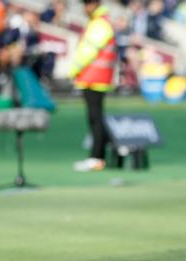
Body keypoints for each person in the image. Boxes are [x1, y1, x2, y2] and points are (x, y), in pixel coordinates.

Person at [70, 0, 117, 172]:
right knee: (96, 118)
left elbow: (88, 51)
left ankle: (97, 157)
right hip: (95, 78)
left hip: (95, 78)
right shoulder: (99, 22)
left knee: (95, 118)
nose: (84, 8)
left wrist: (73, 69)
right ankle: (100, 156)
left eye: (87, 4)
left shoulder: (100, 23)